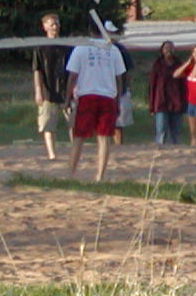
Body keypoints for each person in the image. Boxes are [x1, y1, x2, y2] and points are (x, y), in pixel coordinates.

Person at [66, 28, 127, 182]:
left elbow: (72, 76)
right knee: (104, 137)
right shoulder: (113, 49)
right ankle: (100, 176)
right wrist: (118, 100)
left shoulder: (81, 48)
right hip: (107, 96)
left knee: (79, 136)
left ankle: (71, 173)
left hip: (87, 95)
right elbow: (119, 78)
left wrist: (68, 98)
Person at [33, 12, 70, 160]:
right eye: (52, 24)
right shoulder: (40, 47)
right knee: (48, 123)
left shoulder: (66, 46)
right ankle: (52, 154)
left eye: (57, 23)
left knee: (73, 122)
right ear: (45, 27)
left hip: (66, 88)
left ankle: (75, 150)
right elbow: (37, 70)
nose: (55, 27)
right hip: (48, 89)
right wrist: (38, 90)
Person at [146, 41, 185, 146]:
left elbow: (184, 85)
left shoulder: (179, 64)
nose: (168, 50)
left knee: (175, 131)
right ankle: (160, 149)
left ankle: (176, 150)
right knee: (161, 130)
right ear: (162, 50)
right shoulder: (157, 64)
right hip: (160, 102)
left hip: (176, 102)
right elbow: (152, 85)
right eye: (166, 48)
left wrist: (184, 103)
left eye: (171, 48)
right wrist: (151, 105)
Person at [106, 20, 134, 145]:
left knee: (119, 122)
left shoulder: (121, 49)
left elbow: (127, 71)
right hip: (103, 89)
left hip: (119, 90)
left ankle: (118, 145)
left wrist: (127, 88)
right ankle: (105, 144)